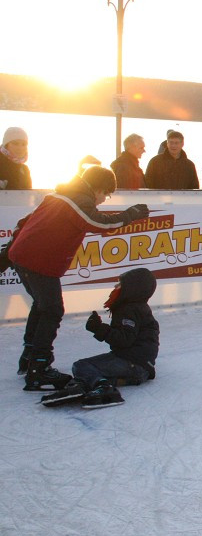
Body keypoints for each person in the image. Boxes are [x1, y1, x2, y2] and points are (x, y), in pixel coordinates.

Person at [3, 166, 149, 389]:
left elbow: (25, 222)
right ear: (98, 187)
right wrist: (132, 214)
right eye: (106, 194)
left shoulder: (61, 195)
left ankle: (30, 358)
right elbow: (98, 223)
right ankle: (38, 368)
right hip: (38, 261)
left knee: (43, 307)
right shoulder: (77, 199)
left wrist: (10, 252)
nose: (104, 199)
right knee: (52, 310)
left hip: (24, 258)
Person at [39, 268, 159, 409]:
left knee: (81, 366)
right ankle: (82, 386)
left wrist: (98, 328)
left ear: (133, 289)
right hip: (140, 367)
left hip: (134, 364)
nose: (115, 287)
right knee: (90, 373)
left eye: (120, 284)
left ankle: (104, 387)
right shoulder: (136, 307)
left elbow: (124, 339)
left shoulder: (130, 309)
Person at [0, 126, 32, 191]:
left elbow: (28, 198)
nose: (20, 148)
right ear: (6, 145)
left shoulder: (24, 169)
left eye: (24, 144)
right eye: (15, 143)